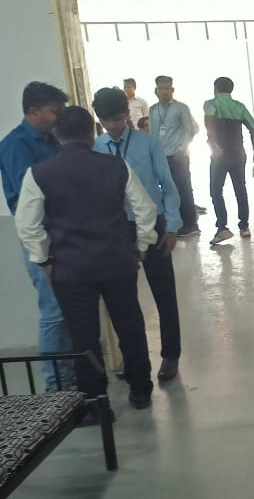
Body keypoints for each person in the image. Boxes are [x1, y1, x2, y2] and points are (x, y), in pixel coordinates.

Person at [14, 105, 157, 411]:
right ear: (93, 134)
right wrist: (141, 246)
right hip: (117, 262)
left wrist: (44, 260)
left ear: (57, 134)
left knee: (83, 337)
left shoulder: (39, 173)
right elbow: (145, 210)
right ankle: (141, 391)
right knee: (130, 326)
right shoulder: (116, 166)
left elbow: (26, 225)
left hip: (71, 268)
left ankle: (95, 402)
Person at [92, 87, 185, 382]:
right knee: (122, 299)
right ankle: (132, 360)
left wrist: (172, 226)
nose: (113, 126)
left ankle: (171, 355)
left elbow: (167, 185)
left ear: (127, 114)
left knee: (163, 292)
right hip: (118, 230)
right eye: (106, 121)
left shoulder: (149, 144)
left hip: (153, 224)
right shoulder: (96, 148)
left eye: (118, 119)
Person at [0, 81, 76, 391]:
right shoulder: (15, 146)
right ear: (33, 112)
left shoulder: (53, 140)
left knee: (68, 309)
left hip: (64, 235)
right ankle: (56, 387)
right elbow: (26, 201)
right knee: (54, 312)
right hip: (41, 239)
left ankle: (70, 379)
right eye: (54, 112)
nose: (60, 117)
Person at [203, 76, 254, 244]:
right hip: (238, 154)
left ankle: (222, 228)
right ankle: (244, 226)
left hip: (219, 154)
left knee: (216, 191)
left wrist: (213, 144)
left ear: (215, 89)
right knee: (240, 189)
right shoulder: (239, 106)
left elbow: (209, 125)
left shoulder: (211, 104)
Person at [151, 75, 202, 238]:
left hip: (178, 156)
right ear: (156, 91)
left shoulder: (181, 108)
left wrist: (182, 150)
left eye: (167, 88)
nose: (164, 92)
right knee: (167, 190)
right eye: (161, 88)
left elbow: (190, 131)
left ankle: (191, 224)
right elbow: (153, 133)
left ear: (172, 89)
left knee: (183, 189)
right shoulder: (153, 110)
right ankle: (175, 223)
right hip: (161, 156)